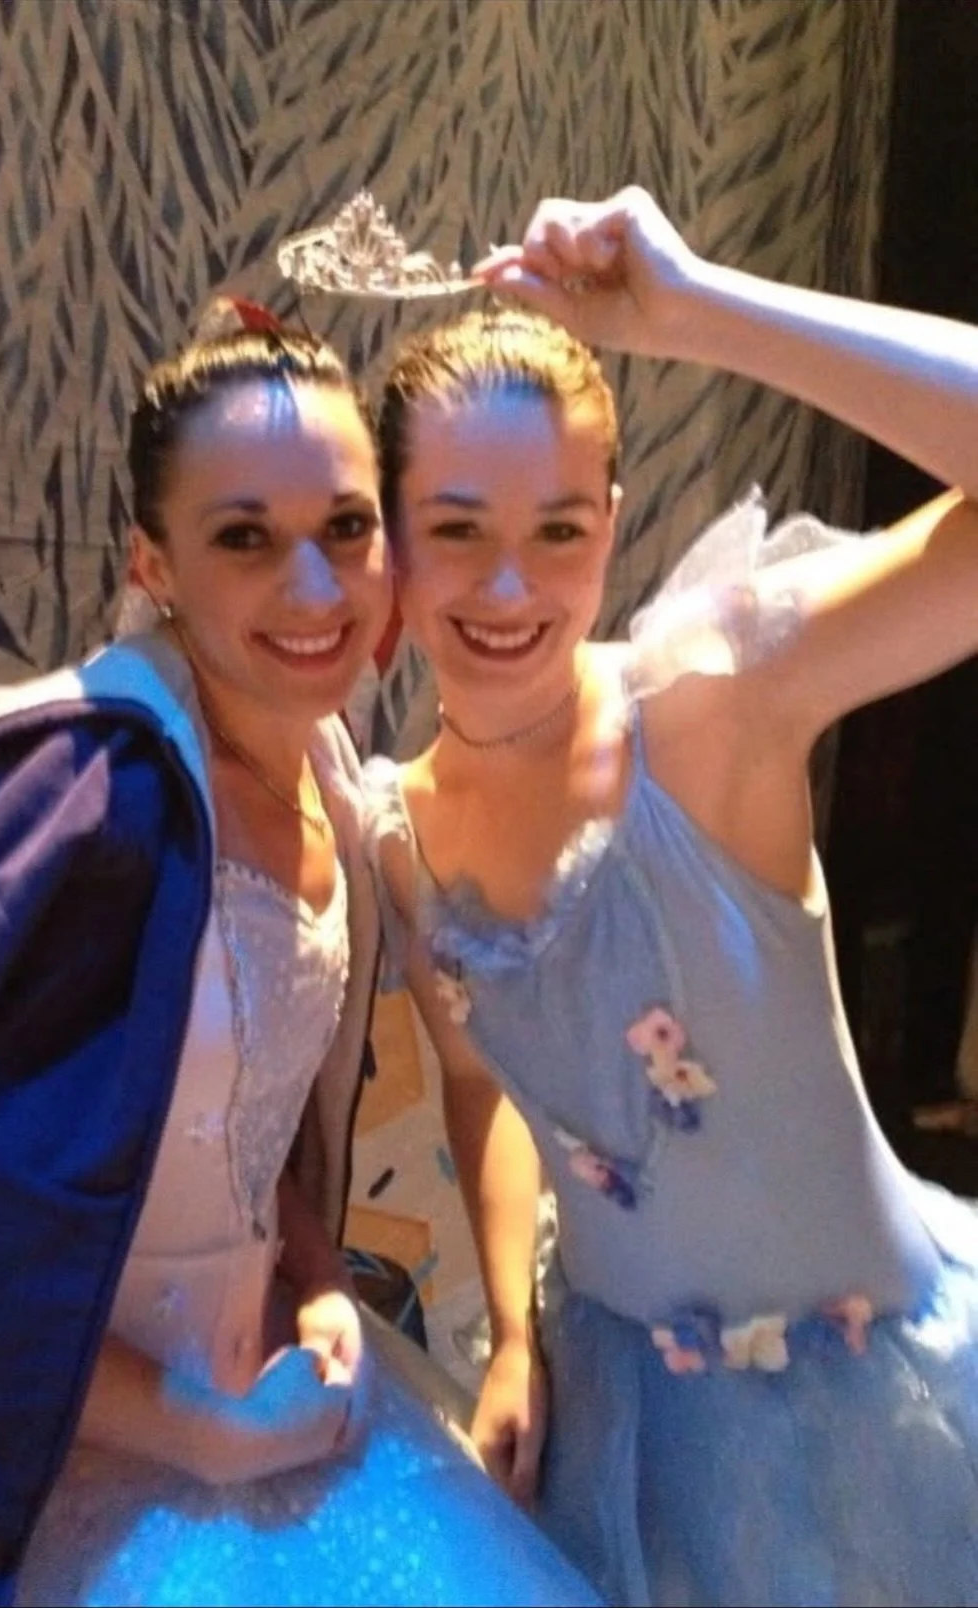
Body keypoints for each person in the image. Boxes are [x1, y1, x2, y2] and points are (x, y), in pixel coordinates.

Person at [0, 321, 597, 1606]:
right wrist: (193, 1431)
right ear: (153, 563)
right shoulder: (81, 809)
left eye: (345, 527)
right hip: (60, 1459)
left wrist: (316, 1278)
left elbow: (250, 1140)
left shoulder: (333, 773)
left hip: (272, 1392)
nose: (315, 589)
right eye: (244, 538)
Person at [365, 187, 978, 1606]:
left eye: (558, 529)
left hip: (888, 1426)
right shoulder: (397, 832)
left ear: (612, 522)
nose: (508, 584)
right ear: (387, 539)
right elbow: (484, 1087)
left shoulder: (709, 706)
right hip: (628, 1433)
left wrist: (704, 309)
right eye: (454, 528)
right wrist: (515, 1336)